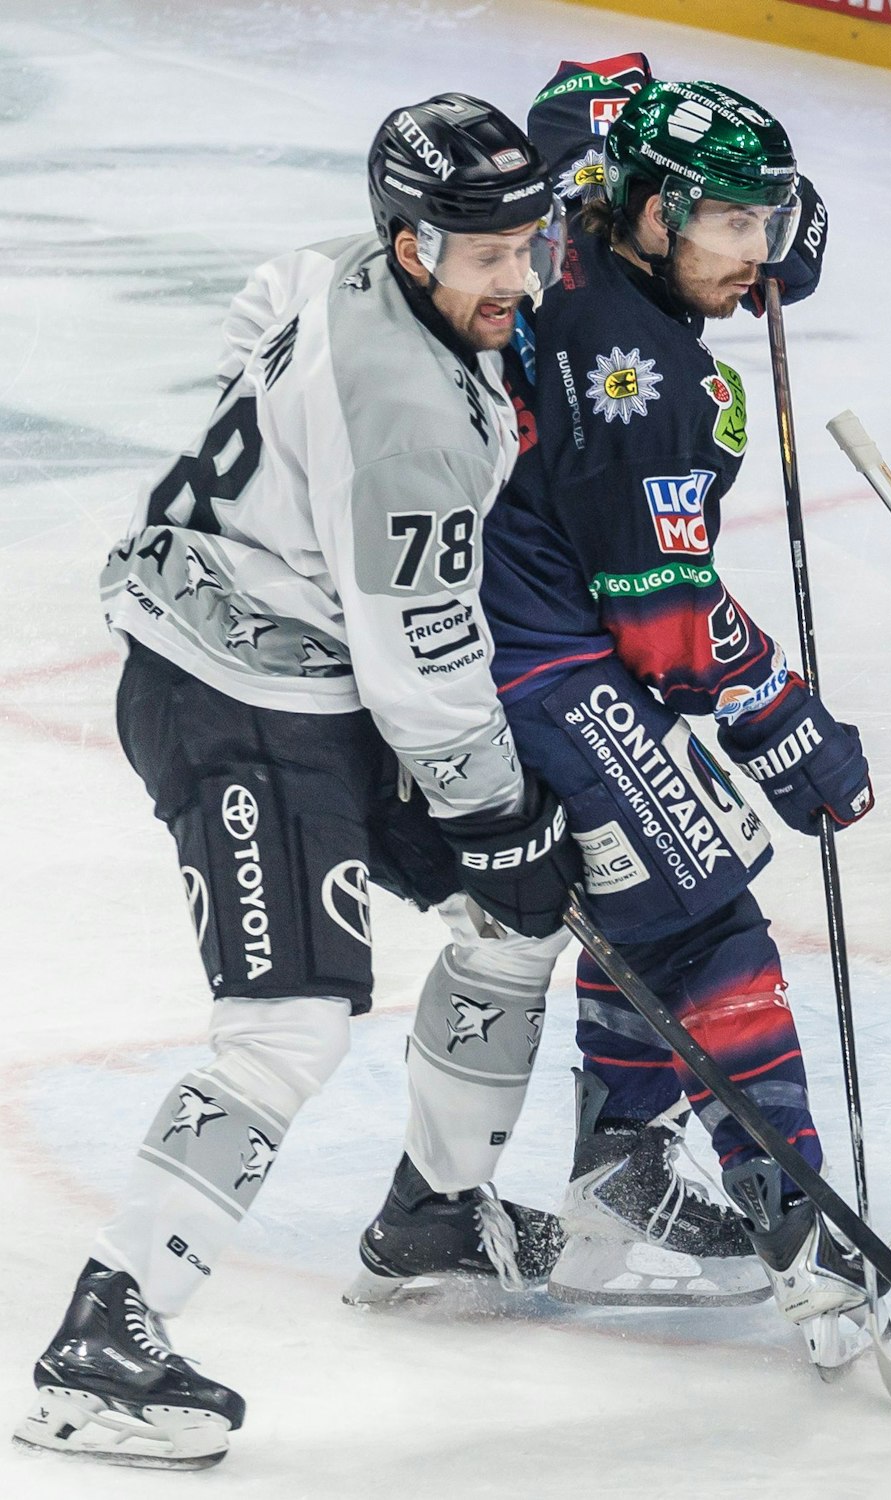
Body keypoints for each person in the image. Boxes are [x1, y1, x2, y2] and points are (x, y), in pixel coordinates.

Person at [16, 95, 581, 1470]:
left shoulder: (335, 265)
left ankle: (437, 1213)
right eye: (481, 254)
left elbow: (261, 306)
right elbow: (419, 669)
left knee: (513, 921)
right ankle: (103, 1339)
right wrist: (496, 813)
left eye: (528, 243)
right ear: (407, 247)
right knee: (290, 1028)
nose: (515, 277)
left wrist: (280, 490)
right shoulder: (408, 419)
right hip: (236, 707)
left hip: (293, 668)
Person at [435, 76, 871, 1358]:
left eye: (773, 224)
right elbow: (669, 626)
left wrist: (621, 104)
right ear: (659, 212)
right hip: (549, 664)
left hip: (504, 621)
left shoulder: (570, 203)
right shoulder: (642, 387)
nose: (764, 255)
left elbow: (574, 97)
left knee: (658, 890)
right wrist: (789, 724)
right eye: (735, 226)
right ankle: (803, 1232)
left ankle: (617, 1181)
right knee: (706, 927)